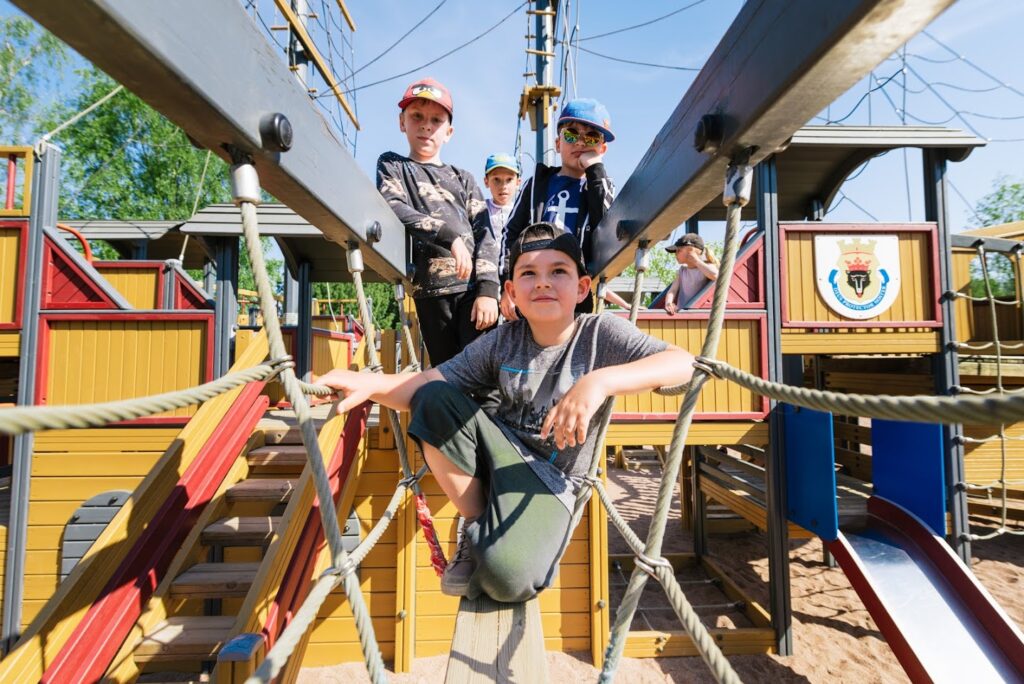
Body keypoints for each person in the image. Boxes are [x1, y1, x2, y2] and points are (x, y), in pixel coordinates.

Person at [315, 223, 695, 602]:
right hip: (500, 459)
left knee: (507, 579)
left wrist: (598, 383)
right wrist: (371, 385)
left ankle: (494, 541)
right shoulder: (503, 341)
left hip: (555, 483)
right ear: (511, 292)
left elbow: (684, 364)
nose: (542, 283)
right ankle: (476, 520)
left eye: (558, 272)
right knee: (433, 397)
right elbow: (430, 382)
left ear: (582, 288)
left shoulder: (600, 333)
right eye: (528, 273)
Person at [376, 77, 498, 365]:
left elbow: (486, 236)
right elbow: (393, 205)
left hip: (471, 291)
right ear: (402, 122)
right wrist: (448, 236)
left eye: (436, 120)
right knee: (447, 374)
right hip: (432, 292)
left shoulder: (463, 178)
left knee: (482, 374)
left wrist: (488, 290)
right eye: (417, 116)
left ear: (449, 131)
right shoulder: (393, 166)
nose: (426, 125)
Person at [500, 98, 622, 318]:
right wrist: (507, 282)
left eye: (592, 137)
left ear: (602, 149)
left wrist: (595, 169)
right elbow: (510, 233)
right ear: (558, 144)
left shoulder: (601, 185)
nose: (580, 143)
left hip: (574, 288)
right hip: (535, 281)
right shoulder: (537, 184)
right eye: (571, 134)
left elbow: (606, 227)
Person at [482, 153, 521, 279]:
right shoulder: (479, 210)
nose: (503, 186)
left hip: (512, 273)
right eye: (496, 179)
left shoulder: (521, 212)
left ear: (518, 182)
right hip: (485, 274)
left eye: (509, 180)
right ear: (486, 182)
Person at [663, 233, 720, 314]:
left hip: (700, 314)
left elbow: (715, 275)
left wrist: (696, 260)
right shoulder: (682, 271)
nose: (676, 254)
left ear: (691, 251)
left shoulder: (706, 267)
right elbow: (672, 290)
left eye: (679, 250)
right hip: (683, 313)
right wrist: (669, 303)